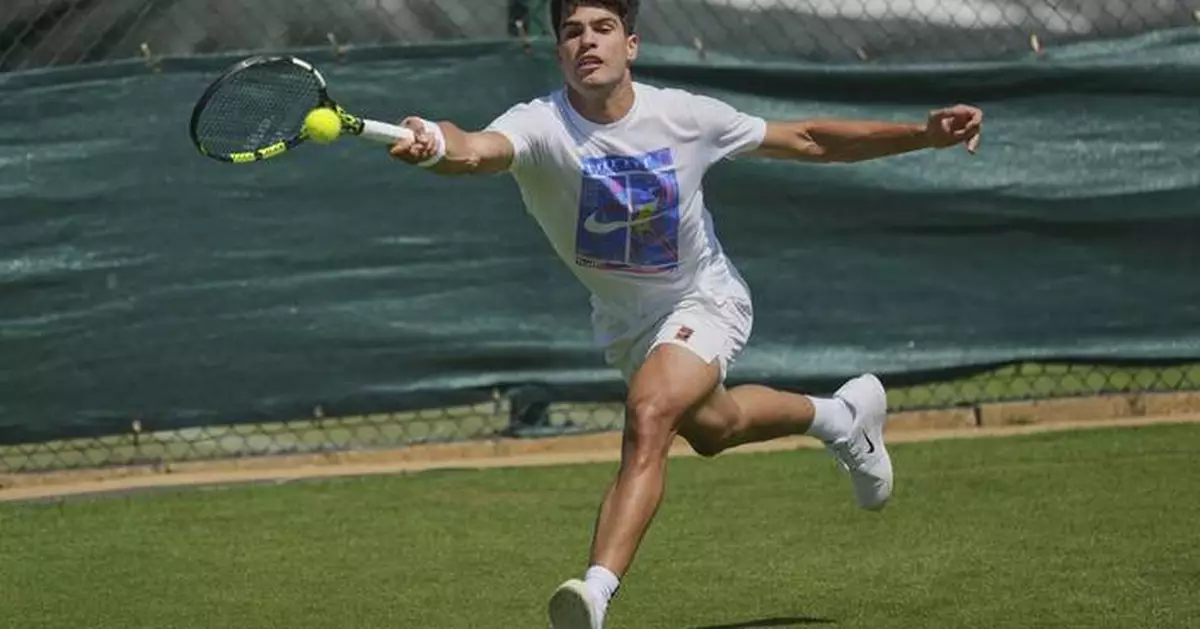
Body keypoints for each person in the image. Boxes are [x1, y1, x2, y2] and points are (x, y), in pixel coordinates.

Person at [387, 1, 983, 626]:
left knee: (650, 412)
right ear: (559, 51)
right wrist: (433, 141)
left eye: (603, 29)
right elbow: (473, 149)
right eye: (572, 32)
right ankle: (842, 417)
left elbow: (809, 139)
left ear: (631, 45)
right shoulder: (539, 125)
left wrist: (922, 135)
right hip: (628, 325)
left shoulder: (684, 117)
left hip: (705, 299)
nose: (587, 42)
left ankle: (594, 593)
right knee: (715, 429)